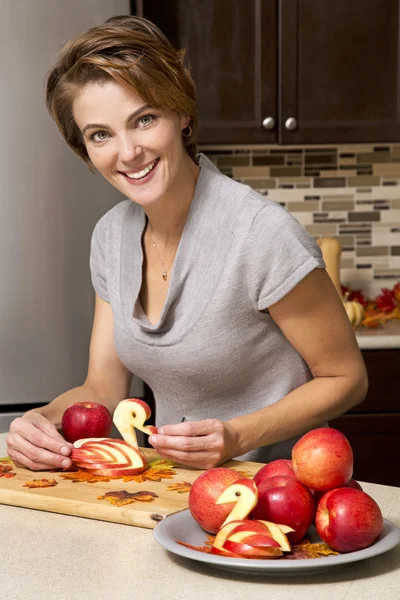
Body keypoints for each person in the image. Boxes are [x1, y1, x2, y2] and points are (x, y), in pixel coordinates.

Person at [6, 15, 368, 472]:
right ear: (85, 150)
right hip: (173, 490)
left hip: (279, 495)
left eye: (144, 120)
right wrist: (39, 422)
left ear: (182, 115)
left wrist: (236, 436)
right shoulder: (111, 237)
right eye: (101, 135)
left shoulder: (259, 234)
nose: (128, 152)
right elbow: (102, 388)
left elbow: (346, 378)